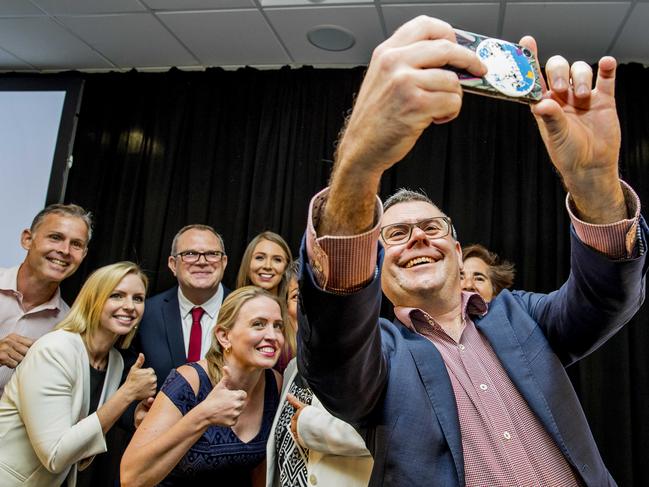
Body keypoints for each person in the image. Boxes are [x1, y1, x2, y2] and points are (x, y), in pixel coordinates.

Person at [297, 16, 647, 487]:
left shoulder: (523, 320)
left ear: (459, 253)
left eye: (431, 227)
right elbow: (332, 346)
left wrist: (595, 184)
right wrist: (359, 166)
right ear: (375, 266)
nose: (418, 238)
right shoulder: (379, 356)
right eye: (395, 235)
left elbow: (608, 298)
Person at [0, 262, 157, 486]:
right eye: (117, 295)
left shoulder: (114, 362)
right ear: (93, 300)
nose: (130, 306)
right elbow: (56, 455)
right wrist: (127, 394)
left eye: (138, 298)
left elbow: (82, 452)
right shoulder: (55, 349)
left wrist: (133, 412)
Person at [120, 286, 285, 487]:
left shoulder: (274, 384)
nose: (272, 336)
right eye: (258, 324)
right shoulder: (190, 381)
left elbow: (260, 469)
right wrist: (203, 415)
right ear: (224, 336)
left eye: (278, 326)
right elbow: (130, 477)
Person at [266, 261, 373, 487]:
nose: (308, 303)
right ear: (287, 308)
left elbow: (385, 437)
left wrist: (310, 426)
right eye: (297, 296)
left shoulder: (364, 362)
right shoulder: (292, 368)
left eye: (318, 294)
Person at [126, 224, 230, 428]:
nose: (202, 262)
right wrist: (134, 414)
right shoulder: (146, 313)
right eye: (190, 254)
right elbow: (123, 380)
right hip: (159, 440)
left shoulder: (245, 312)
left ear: (224, 262)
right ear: (173, 264)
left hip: (228, 441)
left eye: (212, 254)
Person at [0, 203, 92, 396]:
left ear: (83, 255)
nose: (65, 250)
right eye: (56, 237)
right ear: (27, 239)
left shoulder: (69, 327)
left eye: (76, 244)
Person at [237, 231, 294, 372]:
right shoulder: (231, 311)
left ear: (286, 268)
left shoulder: (294, 315)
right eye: (260, 258)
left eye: (277, 260)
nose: (268, 265)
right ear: (248, 263)